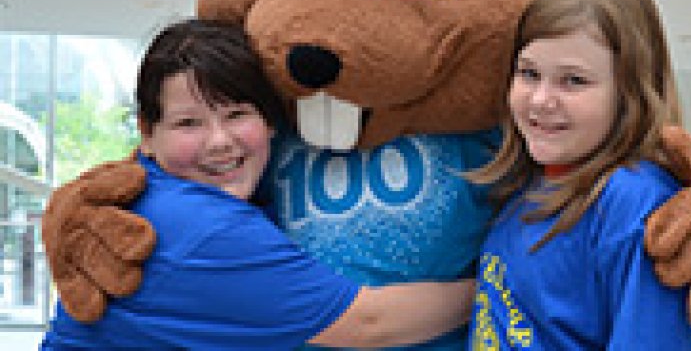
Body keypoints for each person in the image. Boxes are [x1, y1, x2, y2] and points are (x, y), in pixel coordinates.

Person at [40, 19, 474, 350]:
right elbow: (369, 322)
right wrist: (491, 284)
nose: (219, 142)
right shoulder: (204, 228)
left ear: (271, 121)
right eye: (188, 123)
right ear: (147, 134)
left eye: (236, 114)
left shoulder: (151, 191)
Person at [467, 0, 691, 350]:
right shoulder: (532, 182)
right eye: (529, 73)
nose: (541, 99)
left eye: (573, 80)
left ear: (629, 93)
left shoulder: (638, 203)